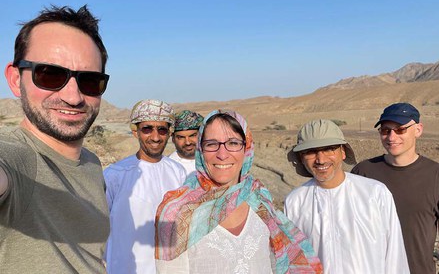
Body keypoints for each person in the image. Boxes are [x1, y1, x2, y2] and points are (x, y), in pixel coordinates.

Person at [0, 5, 110, 273]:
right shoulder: (18, 159)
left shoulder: (91, 163)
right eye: (50, 74)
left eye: (90, 80)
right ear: (16, 79)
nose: (73, 97)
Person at [155, 110, 323, 273]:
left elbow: (277, 264)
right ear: (201, 150)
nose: (222, 154)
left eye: (233, 143)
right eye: (212, 144)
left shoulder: (260, 200)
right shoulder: (176, 212)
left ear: (247, 148)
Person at [284, 119, 409, 273]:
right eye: (311, 152)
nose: (320, 159)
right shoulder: (295, 202)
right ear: (301, 159)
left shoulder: (374, 193)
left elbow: (395, 257)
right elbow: (294, 262)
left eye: (329, 149)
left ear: (342, 152)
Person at [351, 102, 439, 274]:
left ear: (418, 130)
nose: (391, 137)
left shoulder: (437, 175)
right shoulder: (363, 172)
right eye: (385, 130)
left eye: (400, 129)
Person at [103, 99, 186, 274]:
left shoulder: (177, 172)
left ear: (168, 133)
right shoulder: (114, 175)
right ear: (136, 132)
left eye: (162, 129)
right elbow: (98, 229)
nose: (155, 137)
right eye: (147, 129)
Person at [169, 110, 204, 176]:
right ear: (173, 139)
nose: (188, 142)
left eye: (192, 135)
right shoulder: (168, 166)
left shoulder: (213, 161)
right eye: (181, 137)